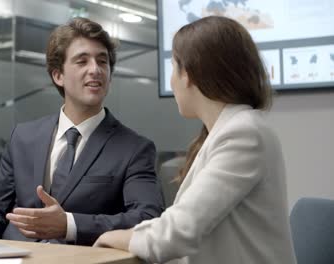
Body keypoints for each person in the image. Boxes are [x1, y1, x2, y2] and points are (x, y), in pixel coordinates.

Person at [94, 16, 297, 263]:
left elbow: (178, 232)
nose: (171, 80)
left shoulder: (244, 133)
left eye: (173, 67)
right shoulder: (228, 132)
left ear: (188, 73)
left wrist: (110, 237)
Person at [0, 17, 164, 246]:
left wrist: (69, 225)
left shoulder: (134, 148)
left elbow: (148, 219)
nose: (95, 69)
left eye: (102, 61)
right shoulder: (23, 138)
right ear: (58, 75)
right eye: (82, 61)